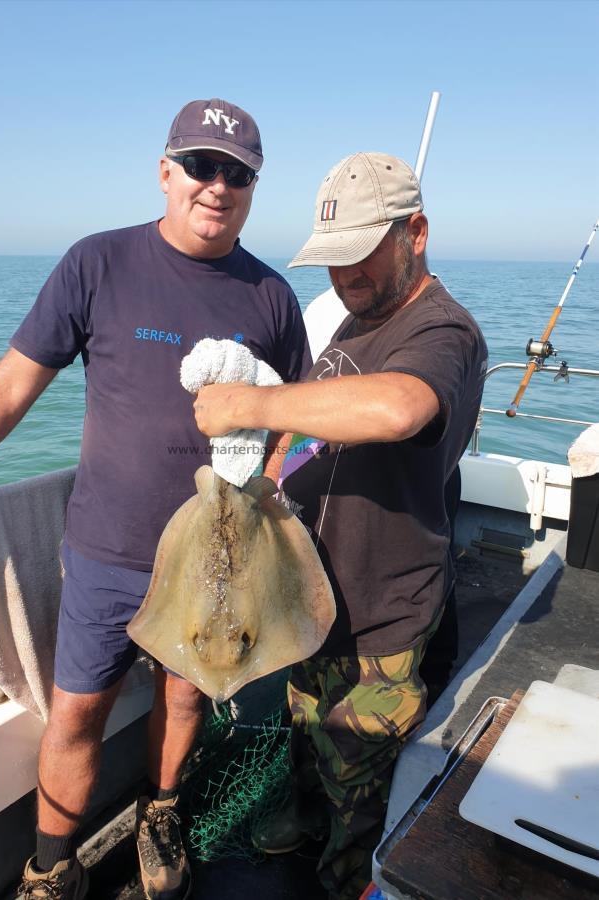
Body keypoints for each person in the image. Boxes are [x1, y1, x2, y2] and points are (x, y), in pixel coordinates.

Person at [0, 98, 311, 900]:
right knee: (74, 716)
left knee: (182, 700)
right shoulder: (96, 263)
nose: (217, 185)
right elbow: (8, 387)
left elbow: (294, 420)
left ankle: (160, 812)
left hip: (220, 557)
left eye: (237, 173)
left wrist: (270, 498)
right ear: (165, 172)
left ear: (252, 187)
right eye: (201, 165)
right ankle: (48, 864)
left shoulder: (271, 296)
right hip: (106, 550)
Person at [193, 152, 488, 900]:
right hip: (311, 596)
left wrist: (247, 406)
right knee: (305, 732)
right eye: (332, 260)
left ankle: (346, 879)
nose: (345, 277)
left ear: (414, 232)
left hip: (379, 612)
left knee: (359, 777)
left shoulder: (441, 330)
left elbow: (395, 409)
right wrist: (265, 478)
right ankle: (298, 822)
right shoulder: (356, 321)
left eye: (359, 255)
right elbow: (310, 419)